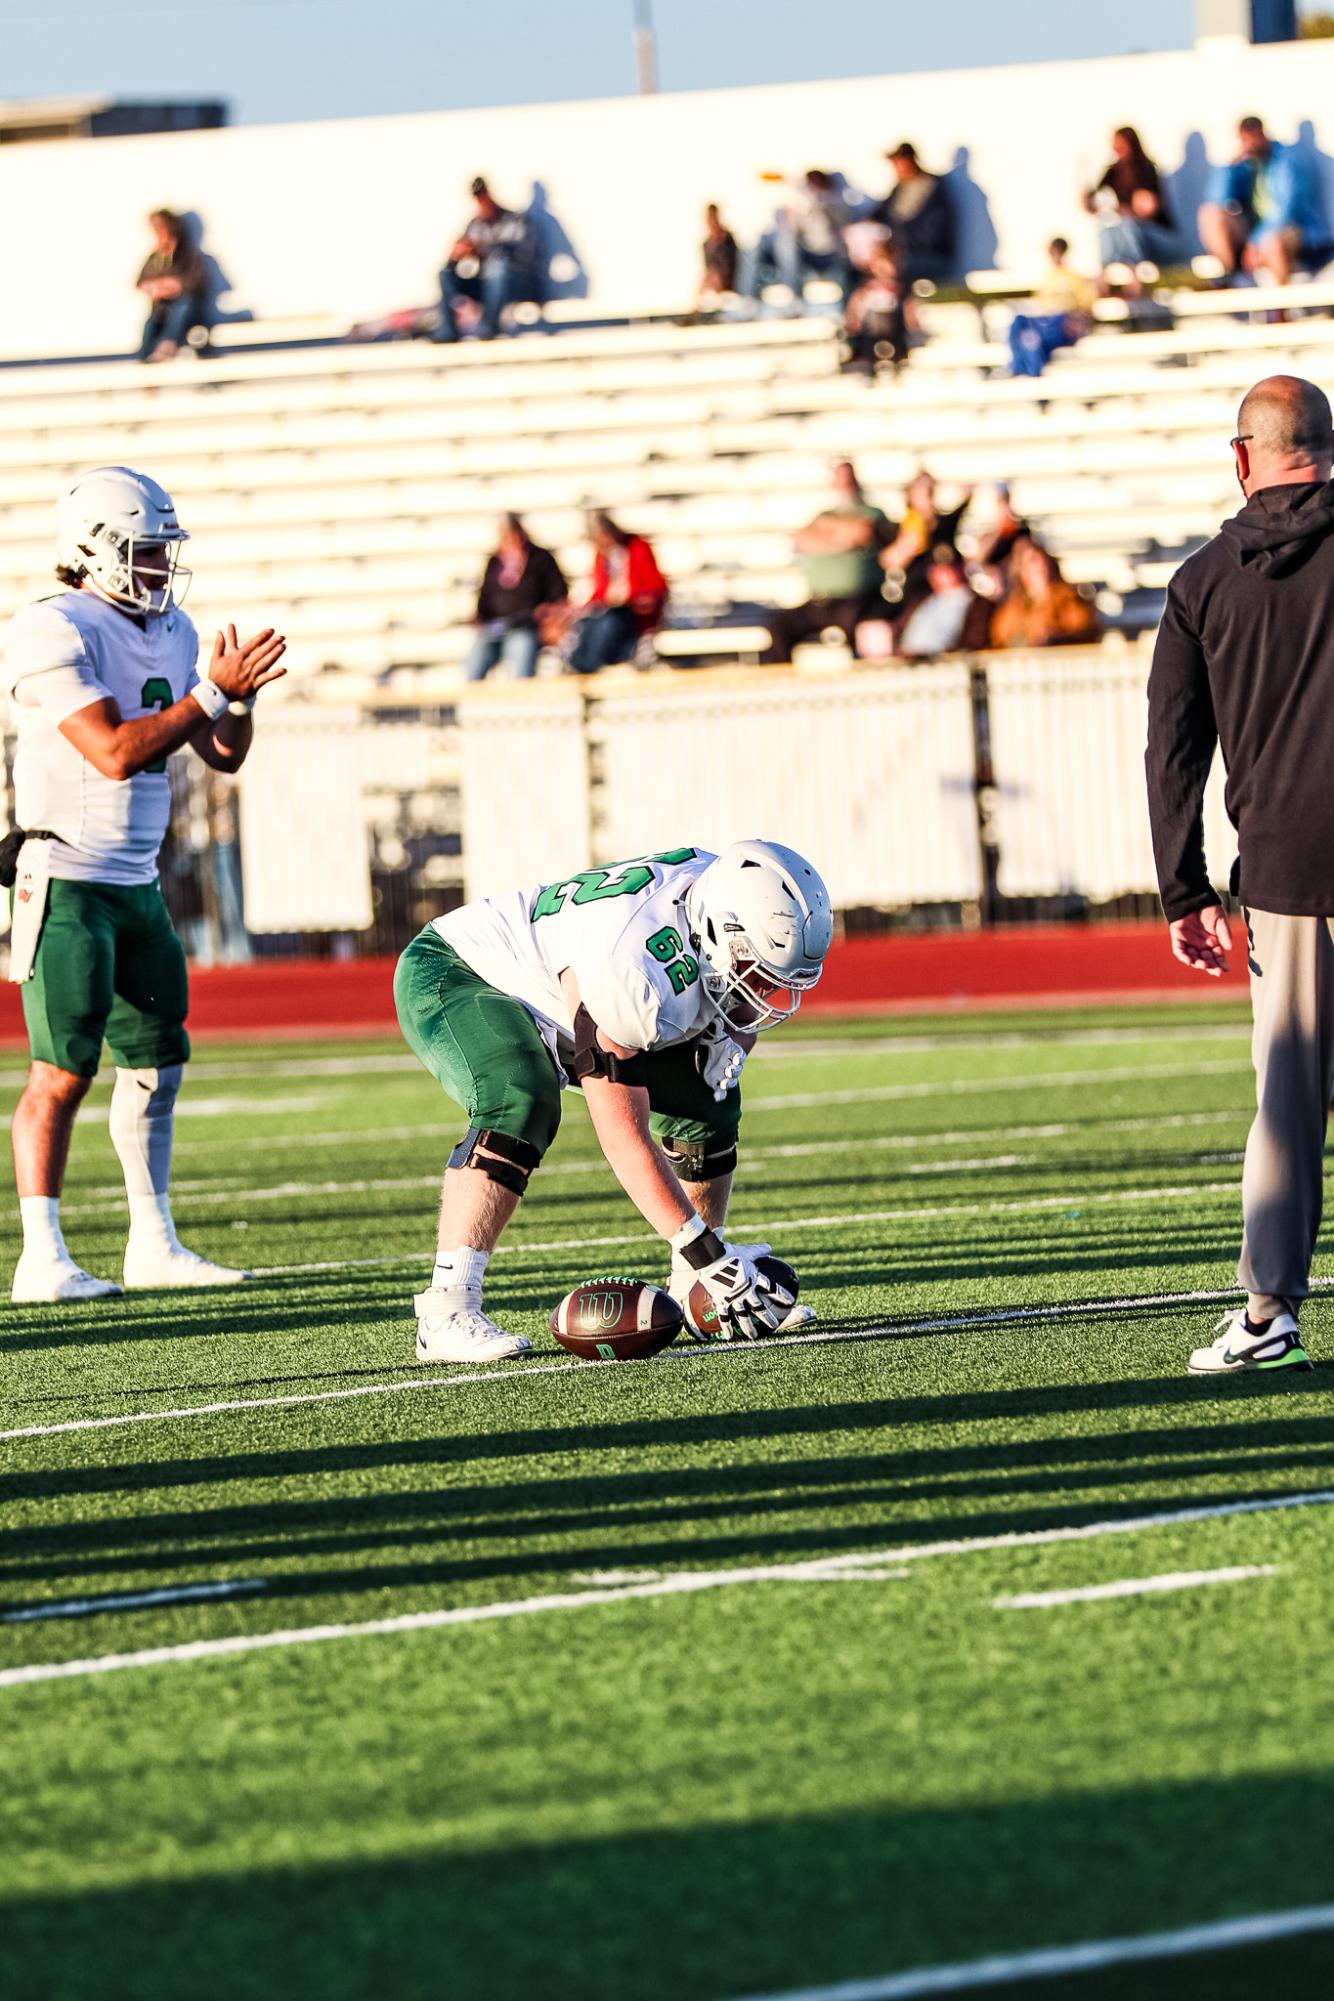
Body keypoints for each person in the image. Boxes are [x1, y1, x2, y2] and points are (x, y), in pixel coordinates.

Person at [1, 466, 286, 1303]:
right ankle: (41, 1255)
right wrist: (211, 691)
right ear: (91, 551)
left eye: (163, 550)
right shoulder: (49, 627)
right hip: (64, 876)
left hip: (136, 879)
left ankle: (151, 1241)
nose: (160, 566)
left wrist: (240, 699)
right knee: (61, 1071)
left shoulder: (173, 627)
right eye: (143, 550)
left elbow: (223, 752)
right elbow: (115, 752)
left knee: (159, 1063)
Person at [393, 838, 832, 1362]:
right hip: (463, 969)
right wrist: (709, 1252)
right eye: (756, 969)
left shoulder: (721, 897)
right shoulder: (630, 970)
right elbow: (623, 1136)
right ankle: (447, 1309)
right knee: (520, 1096)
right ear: (720, 932)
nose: (765, 990)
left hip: (583, 976)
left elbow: (738, 1010)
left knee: (708, 1096)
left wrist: (727, 1041)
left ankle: (698, 1289)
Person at [1146, 374, 1334, 1376]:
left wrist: (1181, 891)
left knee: (1289, 1101)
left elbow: (1171, 752)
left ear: (1241, 456)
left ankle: (1267, 1312)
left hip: (1283, 869)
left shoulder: (1202, 582)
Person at [762, 461, 891, 664]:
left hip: (858, 600)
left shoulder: (872, 513)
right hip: (821, 601)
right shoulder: (823, 515)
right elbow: (801, 539)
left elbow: (861, 532)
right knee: (779, 626)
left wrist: (823, 535)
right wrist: (840, 539)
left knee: (860, 629)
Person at [1198, 117, 1326, 289]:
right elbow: (1217, 198)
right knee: (1210, 214)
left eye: (1255, 137)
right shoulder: (1245, 164)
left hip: (1291, 231)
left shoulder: (1286, 160)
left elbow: (1285, 211)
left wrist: (1255, 242)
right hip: (1254, 232)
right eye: (1246, 139)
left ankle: (1280, 309)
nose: (1252, 143)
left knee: (1272, 242)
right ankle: (1227, 277)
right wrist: (1228, 167)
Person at [434, 178, 539, 344]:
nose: (481, 203)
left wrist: (483, 250)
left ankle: (489, 326)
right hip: (486, 284)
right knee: (445, 273)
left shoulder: (516, 220)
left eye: (483, 196)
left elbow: (523, 256)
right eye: (477, 198)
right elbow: (464, 255)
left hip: (517, 283)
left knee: (498, 269)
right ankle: (448, 331)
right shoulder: (475, 224)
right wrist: (457, 255)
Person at [464, 515, 567, 682]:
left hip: (527, 626)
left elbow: (558, 594)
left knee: (521, 646)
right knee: (477, 653)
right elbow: (485, 598)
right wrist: (479, 618)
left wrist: (546, 612)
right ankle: (471, 697)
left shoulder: (540, 558)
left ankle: (523, 700)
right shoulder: (494, 563)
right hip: (496, 627)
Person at [567, 513, 668, 675]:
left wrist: (632, 596)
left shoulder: (637, 547)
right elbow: (600, 591)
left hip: (635, 612)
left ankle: (589, 666)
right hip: (610, 609)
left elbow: (656, 586)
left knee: (609, 622)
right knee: (588, 623)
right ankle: (581, 665)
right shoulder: (602, 556)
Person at [1084, 127, 1178, 287]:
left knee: (1128, 225)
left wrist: (1124, 210)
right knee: (1106, 228)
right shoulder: (1113, 172)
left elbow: (1149, 208)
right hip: (1123, 233)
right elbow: (1093, 205)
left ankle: (1133, 275)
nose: (1117, 151)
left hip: (1151, 236)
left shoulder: (1146, 169)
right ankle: (1104, 275)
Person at [746, 170, 854, 308]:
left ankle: (795, 297)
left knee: (787, 245)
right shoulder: (800, 204)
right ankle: (756, 300)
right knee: (781, 245)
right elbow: (793, 231)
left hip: (831, 255)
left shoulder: (838, 201)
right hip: (808, 253)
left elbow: (837, 223)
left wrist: (816, 200)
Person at [1007, 239, 1097, 379]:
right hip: (1046, 322)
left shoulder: (1074, 278)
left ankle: (1028, 373)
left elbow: (1086, 307)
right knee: (1019, 324)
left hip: (1062, 324)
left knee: (1032, 341)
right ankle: (1018, 367)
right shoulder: (1047, 278)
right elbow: (1041, 304)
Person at [879, 471, 969, 605]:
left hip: (944, 595)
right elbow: (888, 561)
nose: (927, 498)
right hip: (913, 598)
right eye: (921, 492)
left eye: (930, 491)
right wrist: (908, 541)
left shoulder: (945, 524)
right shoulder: (901, 527)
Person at [873, 142, 956, 287]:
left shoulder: (932, 189)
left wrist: (899, 249)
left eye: (899, 163)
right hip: (903, 257)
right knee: (858, 271)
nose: (897, 168)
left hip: (930, 256)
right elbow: (880, 214)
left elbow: (934, 232)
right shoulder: (899, 189)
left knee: (891, 271)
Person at [990, 541, 1099, 648]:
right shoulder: (1011, 611)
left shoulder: (1069, 601)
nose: (1040, 565)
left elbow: (1085, 630)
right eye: (1032, 561)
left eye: (1044, 561)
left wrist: (1056, 634)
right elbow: (1001, 641)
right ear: (1022, 571)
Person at [893, 549, 994, 659]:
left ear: (961, 568)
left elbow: (974, 641)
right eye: (939, 569)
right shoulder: (923, 598)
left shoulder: (976, 603)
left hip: (942, 664)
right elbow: (901, 629)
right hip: (907, 660)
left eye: (950, 568)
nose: (944, 573)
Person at [136, 210, 206, 363]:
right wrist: (158, 287)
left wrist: (169, 287)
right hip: (160, 312)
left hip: (186, 313)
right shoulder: (155, 258)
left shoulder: (188, 255)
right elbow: (140, 282)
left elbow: (191, 283)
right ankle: (145, 364)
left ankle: (168, 345)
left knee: (182, 305)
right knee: (150, 325)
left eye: (160, 229)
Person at [842, 244, 908, 375]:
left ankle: (897, 361)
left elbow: (909, 309)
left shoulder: (900, 290)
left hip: (893, 328)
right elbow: (855, 306)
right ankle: (867, 361)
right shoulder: (866, 289)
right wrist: (852, 321)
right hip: (871, 329)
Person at [697, 203, 739, 305]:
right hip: (713, 281)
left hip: (729, 281)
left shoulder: (727, 239)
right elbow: (708, 267)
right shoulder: (706, 244)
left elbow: (732, 265)